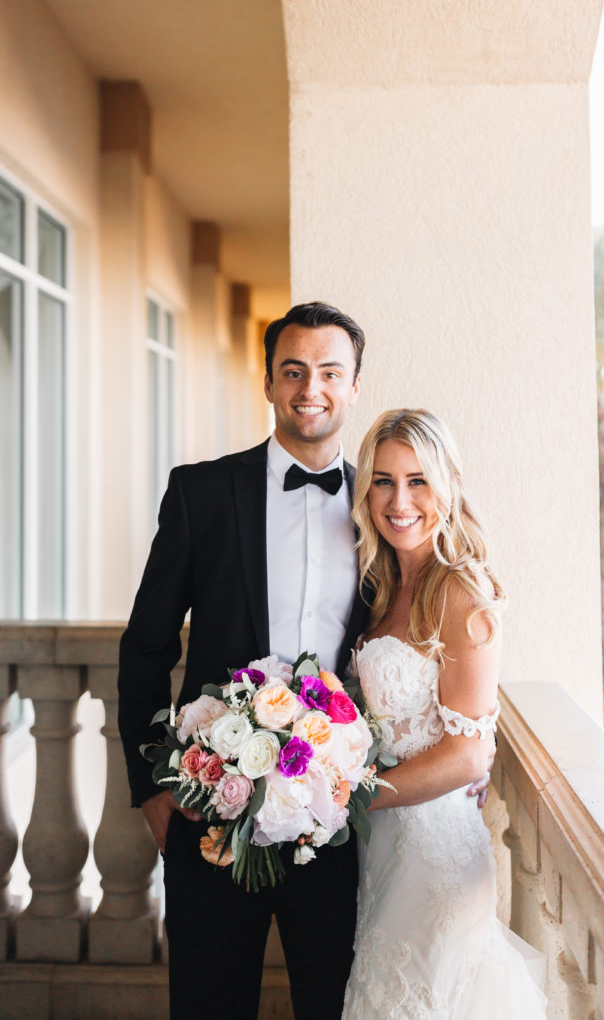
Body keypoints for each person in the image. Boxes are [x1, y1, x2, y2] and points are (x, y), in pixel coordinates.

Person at [118, 303, 491, 1020]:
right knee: (208, 1002)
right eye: (292, 371)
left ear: (353, 388)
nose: (309, 388)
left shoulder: (384, 507)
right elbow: (146, 648)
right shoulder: (200, 493)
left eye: (328, 372)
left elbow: (427, 645)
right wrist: (150, 785)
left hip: (338, 827)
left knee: (335, 1001)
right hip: (212, 804)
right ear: (267, 383)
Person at [342, 408, 547, 1019]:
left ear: (449, 485)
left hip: (435, 859)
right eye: (382, 480)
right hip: (383, 854)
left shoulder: (463, 590)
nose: (399, 500)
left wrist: (346, 796)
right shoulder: (379, 586)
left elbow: (469, 753)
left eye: (417, 480)